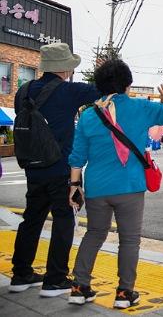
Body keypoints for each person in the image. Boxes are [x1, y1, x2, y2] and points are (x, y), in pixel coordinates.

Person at [67, 60, 163, 308]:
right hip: (130, 186)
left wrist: (74, 186)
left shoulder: (88, 115)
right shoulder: (140, 107)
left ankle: (79, 287)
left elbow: (77, 157)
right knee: (129, 240)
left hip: (97, 187)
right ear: (128, 84)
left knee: (94, 234)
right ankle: (123, 293)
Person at [10, 43, 101, 296]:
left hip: (32, 166)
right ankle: (55, 278)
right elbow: (102, 90)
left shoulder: (24, 91)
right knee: (63, 220)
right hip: (60, 167)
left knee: (32, 218)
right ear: (64, 68)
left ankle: (21, 274)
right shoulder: (69, 91)